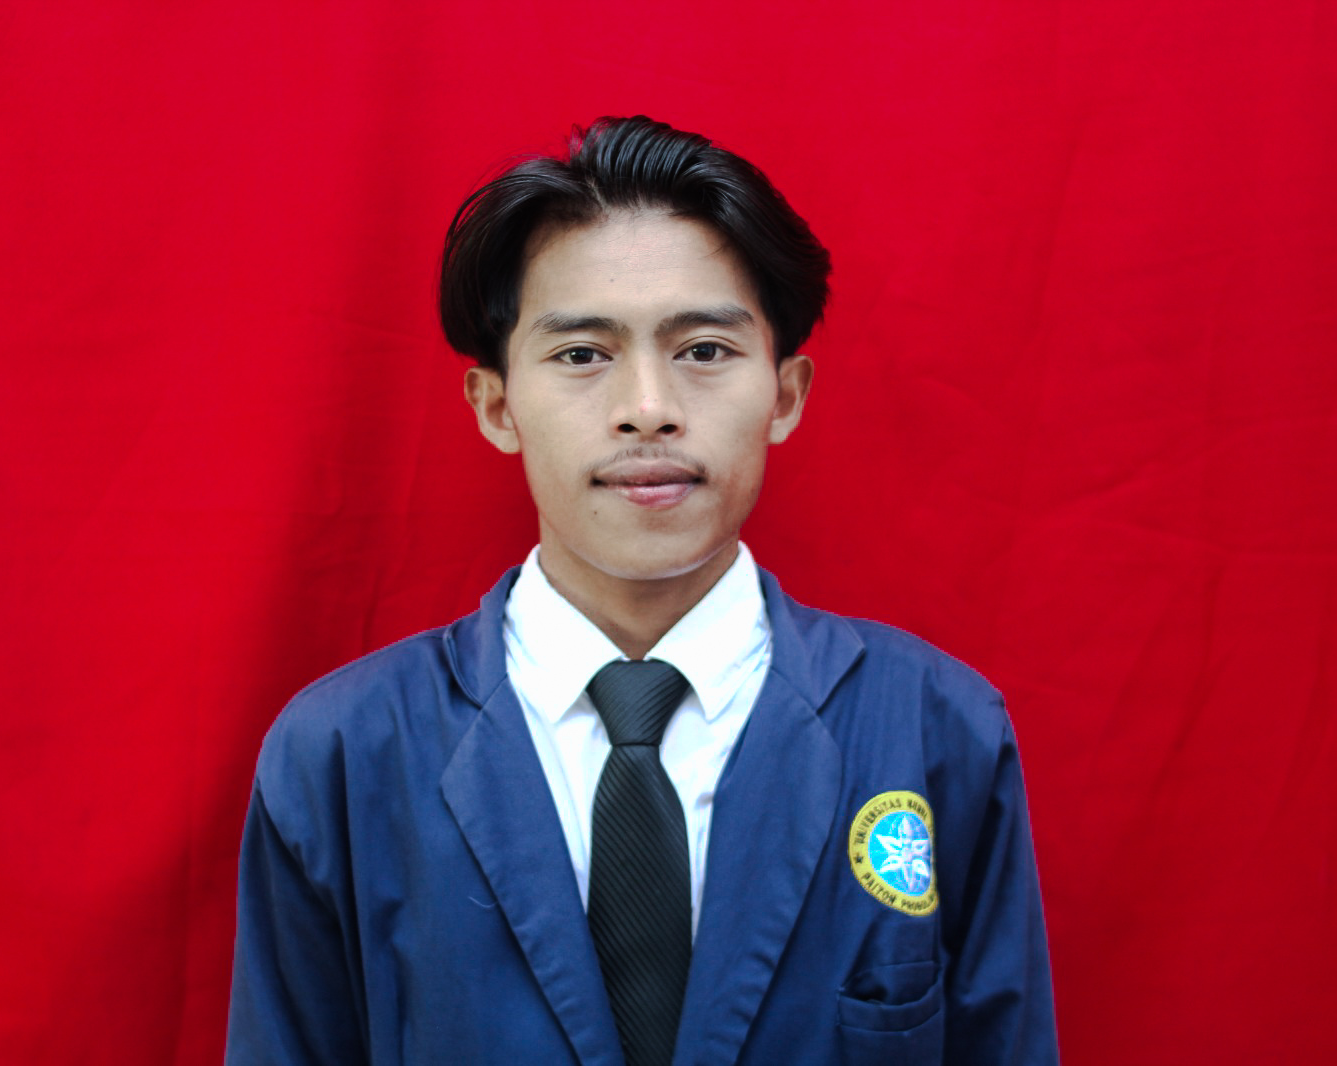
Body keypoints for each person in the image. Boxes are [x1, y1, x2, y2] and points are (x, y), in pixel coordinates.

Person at [226, 116, 1058, 1065]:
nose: (649, 409)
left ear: (785, 394)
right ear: (496, 406)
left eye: (703, 349)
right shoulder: (341, 754)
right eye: (583, 354)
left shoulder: (937, 728)